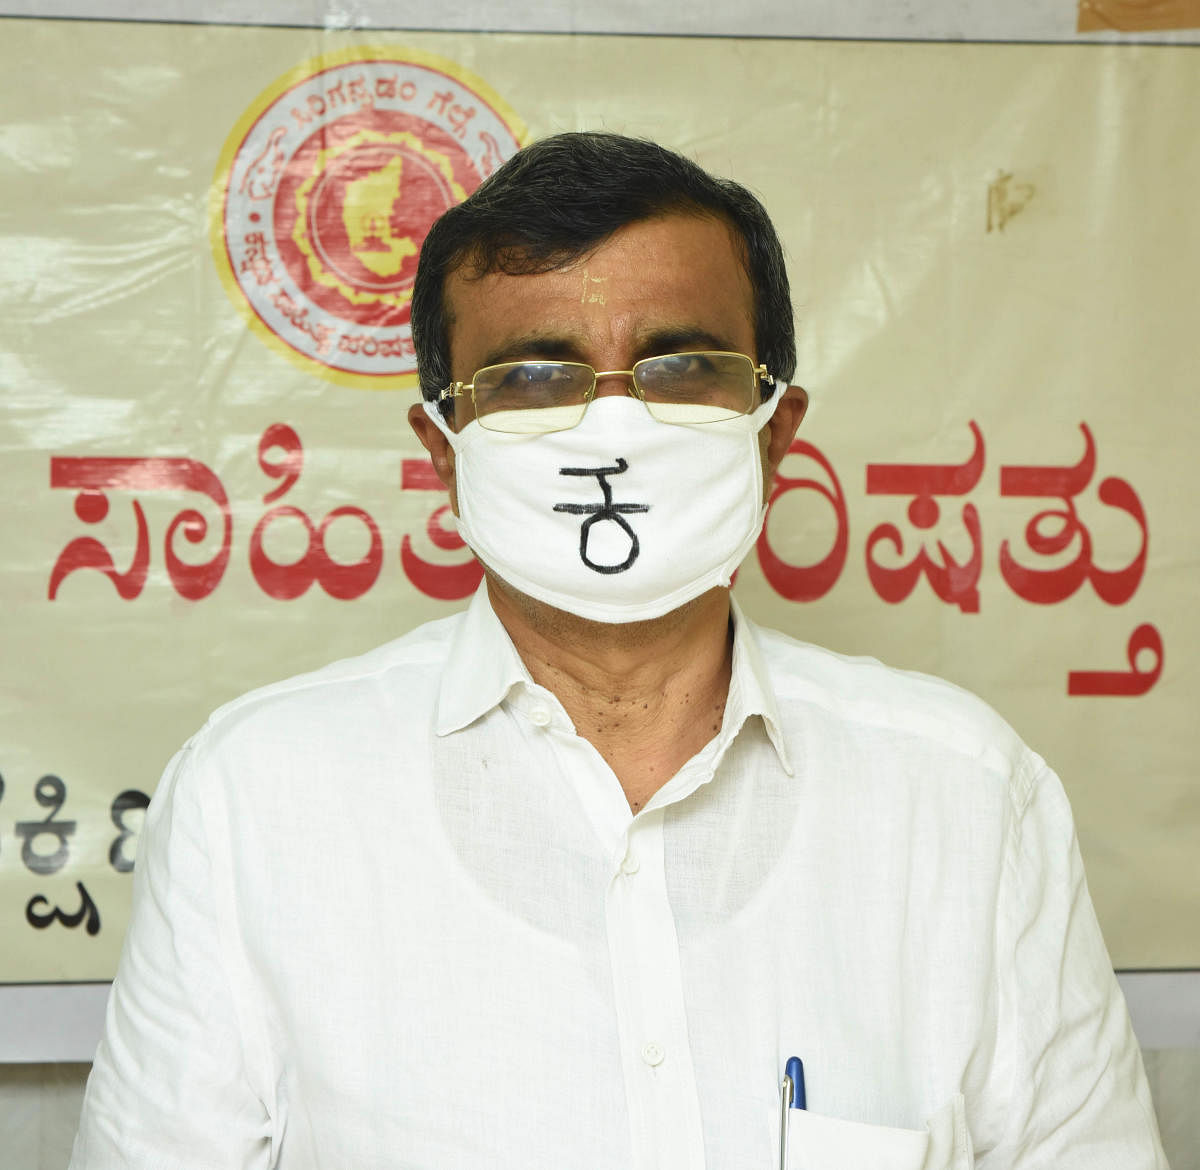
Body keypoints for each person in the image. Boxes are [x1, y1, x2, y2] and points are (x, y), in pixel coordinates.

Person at [70, 132, 1167, 1169]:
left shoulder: (969, 801)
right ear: (443, 455)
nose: (611, 429)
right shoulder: (257, 801)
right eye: (535, 376)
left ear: (774, 432)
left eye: (678, 367)